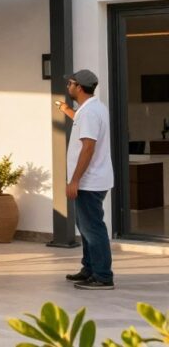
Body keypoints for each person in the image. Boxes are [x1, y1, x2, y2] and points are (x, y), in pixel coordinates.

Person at [57, 69, 114, 290]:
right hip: (93, 179)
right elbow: (84, 125)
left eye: (70, 83)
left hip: (89, 181)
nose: (68, 86)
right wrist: (67, 110)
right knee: (86, 226)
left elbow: (88, 148)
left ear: (79, 87)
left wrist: (74, 180)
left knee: (92, 229)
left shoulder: (89, 112)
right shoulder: (92, 108)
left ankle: (102, 276)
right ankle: (89, 269)